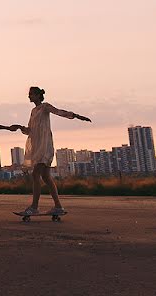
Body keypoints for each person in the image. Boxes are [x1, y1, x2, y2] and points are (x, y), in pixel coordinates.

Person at [17, 86, 91, 217]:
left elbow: (59, 112)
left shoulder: (45, 107)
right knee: (45, 176)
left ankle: (34, 207)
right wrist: (20, 128)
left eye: (31, 94)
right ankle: (58, 207)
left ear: (37, 95)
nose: (29, 96)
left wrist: (75, 115)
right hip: (37, 145)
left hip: (45, 146)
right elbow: (30, 130)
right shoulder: (33, 111)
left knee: (35, 175)